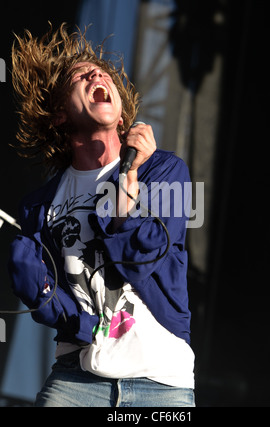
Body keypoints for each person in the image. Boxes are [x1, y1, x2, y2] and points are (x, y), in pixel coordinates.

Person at [8, 23, 195, 407]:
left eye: (101, 73)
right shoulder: (39, 206)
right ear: (60, 116)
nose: (96, 74)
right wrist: (39, 289)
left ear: (122, 115)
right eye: (81, 75)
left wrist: (128, 179)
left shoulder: (163, 172)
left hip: (161, 383)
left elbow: (141, 259)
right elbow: (54, 303)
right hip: (76, 380)